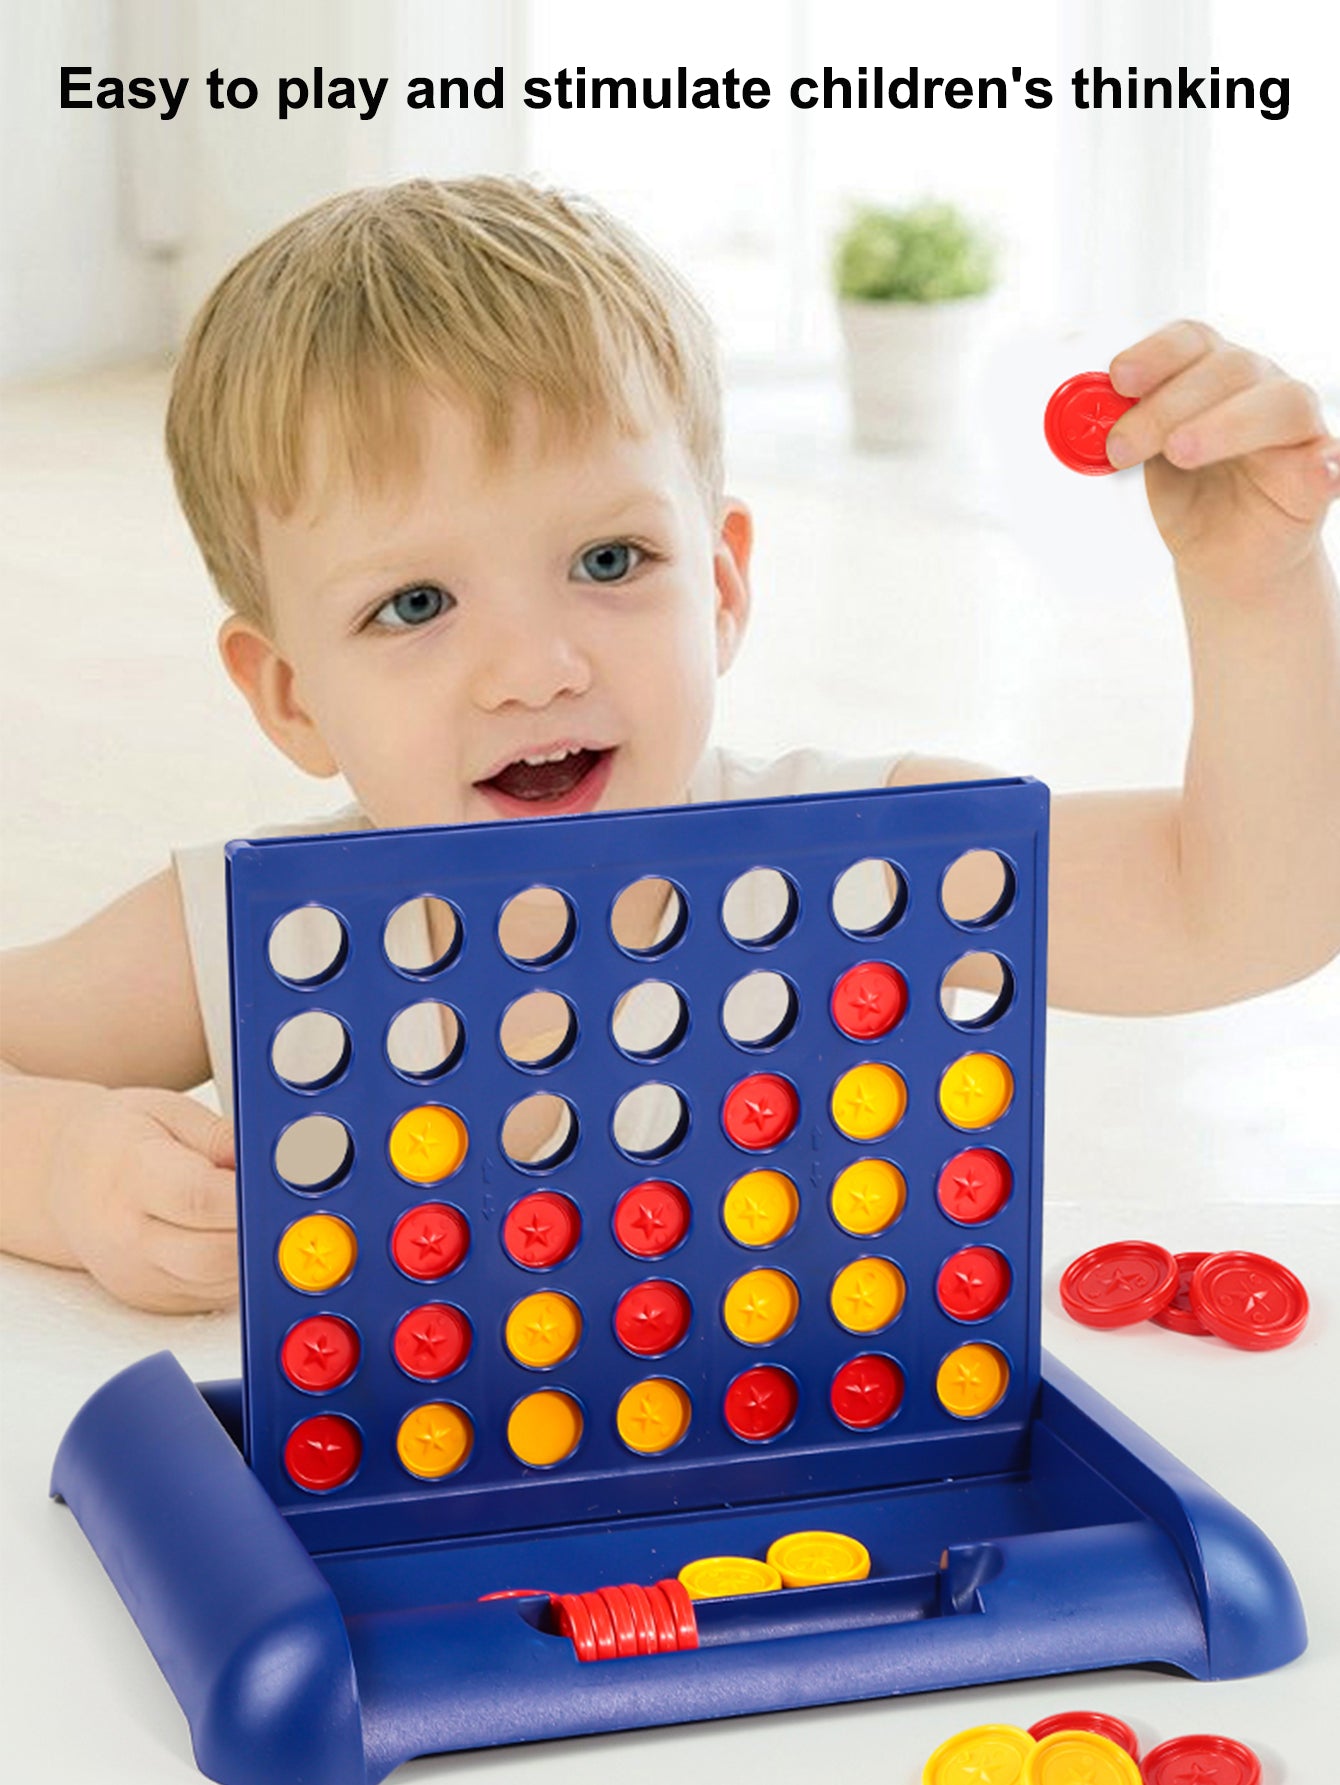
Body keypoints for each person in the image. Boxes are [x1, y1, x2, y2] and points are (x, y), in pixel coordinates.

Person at [2, 177, 1337, 1313]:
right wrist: (59, 1164)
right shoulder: (243, 934)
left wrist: (1256, 589)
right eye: (414, 603)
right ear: (289, 693)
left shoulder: (865, 868)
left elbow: (1236, 911)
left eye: (607, 558)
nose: (535, 667)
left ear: (722, 587)